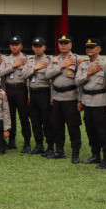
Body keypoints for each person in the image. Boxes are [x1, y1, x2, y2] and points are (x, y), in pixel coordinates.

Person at [75, 38, 106, 169]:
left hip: (101, 102)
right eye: (87, 47)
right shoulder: (84, 64)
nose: (89, 49)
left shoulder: (105, 64)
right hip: (87, 102)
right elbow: (78, 82)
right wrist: (88, 73)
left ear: (99, 49)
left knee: (104, 131)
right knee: (90, 131)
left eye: (92, 47)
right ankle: (95, 155)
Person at [45, 34, 82, 163]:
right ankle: (59, 151)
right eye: (61, 43)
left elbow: (80, 82)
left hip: (71, 97)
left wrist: (80, 100)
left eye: (66, 43)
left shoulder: (78, 59)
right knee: (57, 125)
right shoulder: (54, 59)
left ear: (71, 45)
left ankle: (75, 153)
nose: (63, 45)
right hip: (57, 97)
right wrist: (61, 66)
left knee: (73, 126)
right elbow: (47, 75)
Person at [20, 37, 54, 156]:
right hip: (33, 93)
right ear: (33, 47)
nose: (37, 48)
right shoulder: (29, 61)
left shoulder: (50, 60)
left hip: (45, 93)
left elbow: (52, 81)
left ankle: (50, 146)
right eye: (35, 46)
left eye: (40, 46)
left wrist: (51, 98)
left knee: (47, 120)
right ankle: (39, 145)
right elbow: (23, 75)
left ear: (44, 47)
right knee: (35, 120)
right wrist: (35, 68)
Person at [0, 36, 31, 152]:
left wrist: (29, 95)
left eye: (17, 44)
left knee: (24, 117)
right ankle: (12, 141)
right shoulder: (6, 59)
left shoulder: (26, 59)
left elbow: (29, 78)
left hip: (21, 90)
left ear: (21, 46)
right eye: (12, 44)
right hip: (9, 89)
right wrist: (13, 66)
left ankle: (27, 143)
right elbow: (0, 73)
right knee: (9, 116)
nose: (14, 47)